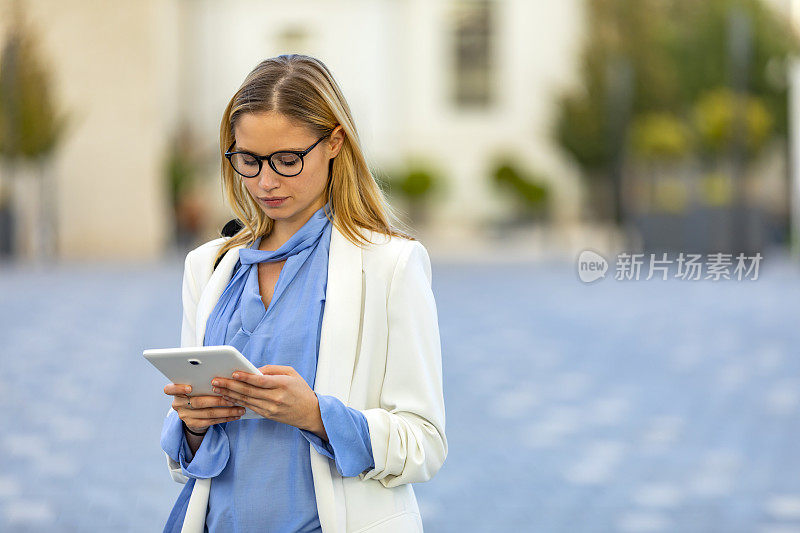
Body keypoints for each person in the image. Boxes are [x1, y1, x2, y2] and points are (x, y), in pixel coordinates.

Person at [159, 54, 447, 532]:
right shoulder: (208, 268)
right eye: (248, 161)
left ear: (335, 141)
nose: (265, 182)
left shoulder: (391, 265)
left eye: (287, 160)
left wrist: (317, 415)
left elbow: (425, 443)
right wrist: (191, 425)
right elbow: (186, 460)